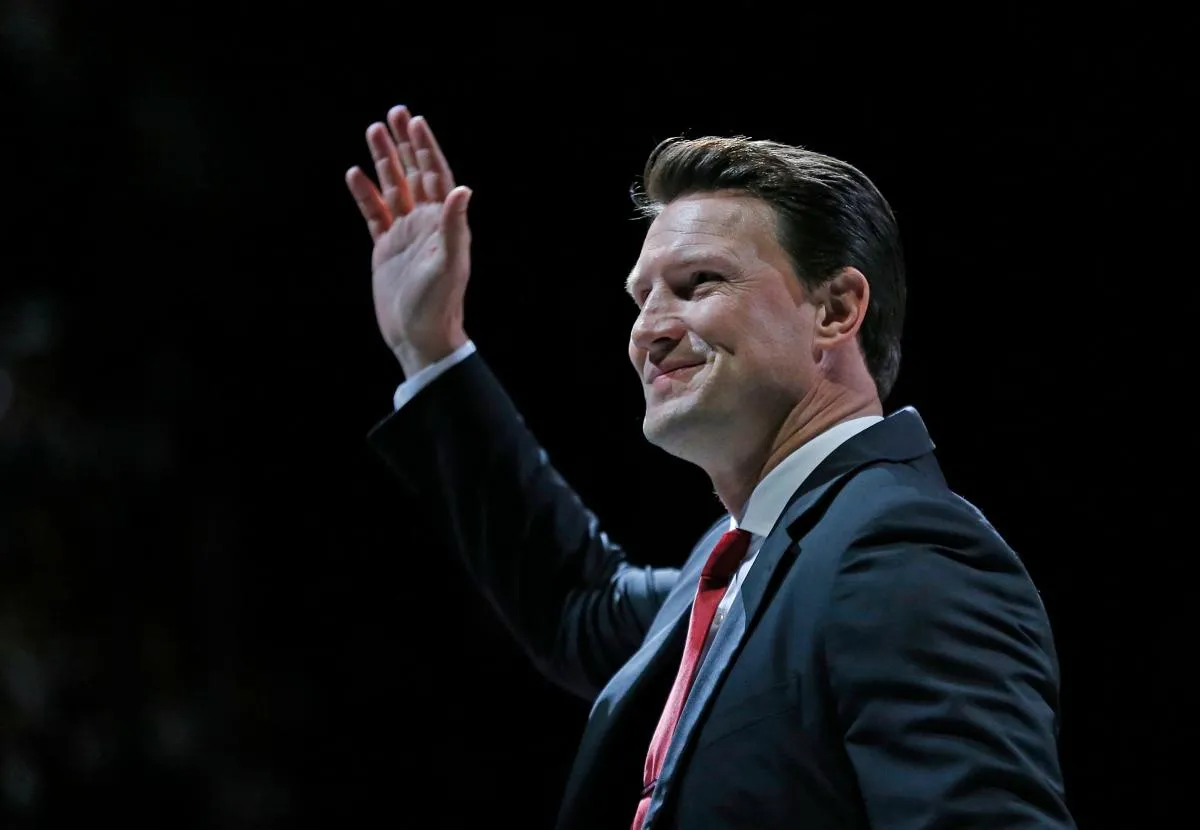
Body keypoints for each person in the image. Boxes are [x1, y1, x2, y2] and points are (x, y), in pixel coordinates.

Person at [345, 104, 1076, 829]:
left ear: (835, 310)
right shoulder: (738, 558)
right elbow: (576, 602)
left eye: (698, 283)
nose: (649, 330)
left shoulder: (904, 550)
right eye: (641, 297)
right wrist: (431, 349)